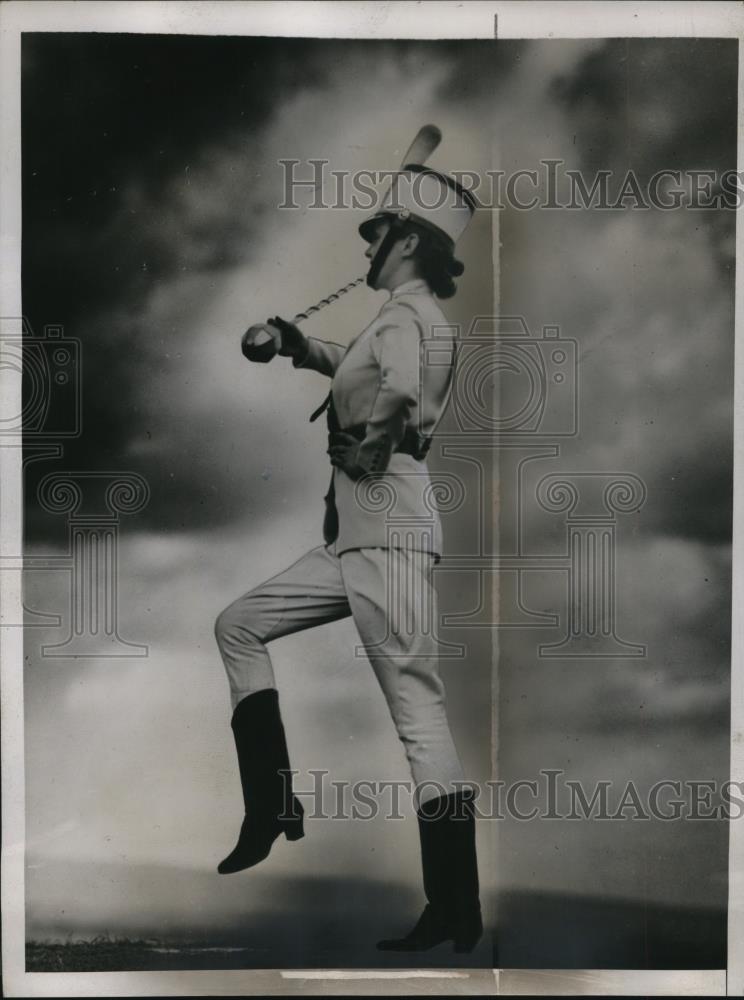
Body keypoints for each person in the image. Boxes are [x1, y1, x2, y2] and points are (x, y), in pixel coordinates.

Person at [214, 164, 482, 953]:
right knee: (239, 625)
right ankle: (273, 806)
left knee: (418, 714)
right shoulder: (401, 313)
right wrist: (297, 346)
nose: (365, 245)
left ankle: (455, 909)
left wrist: (368, 447)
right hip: (354, 539)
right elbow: (367, 370)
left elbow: (396, 393)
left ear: (406, 243)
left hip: (387, 530)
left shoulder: (409, 320)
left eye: (376, 234)